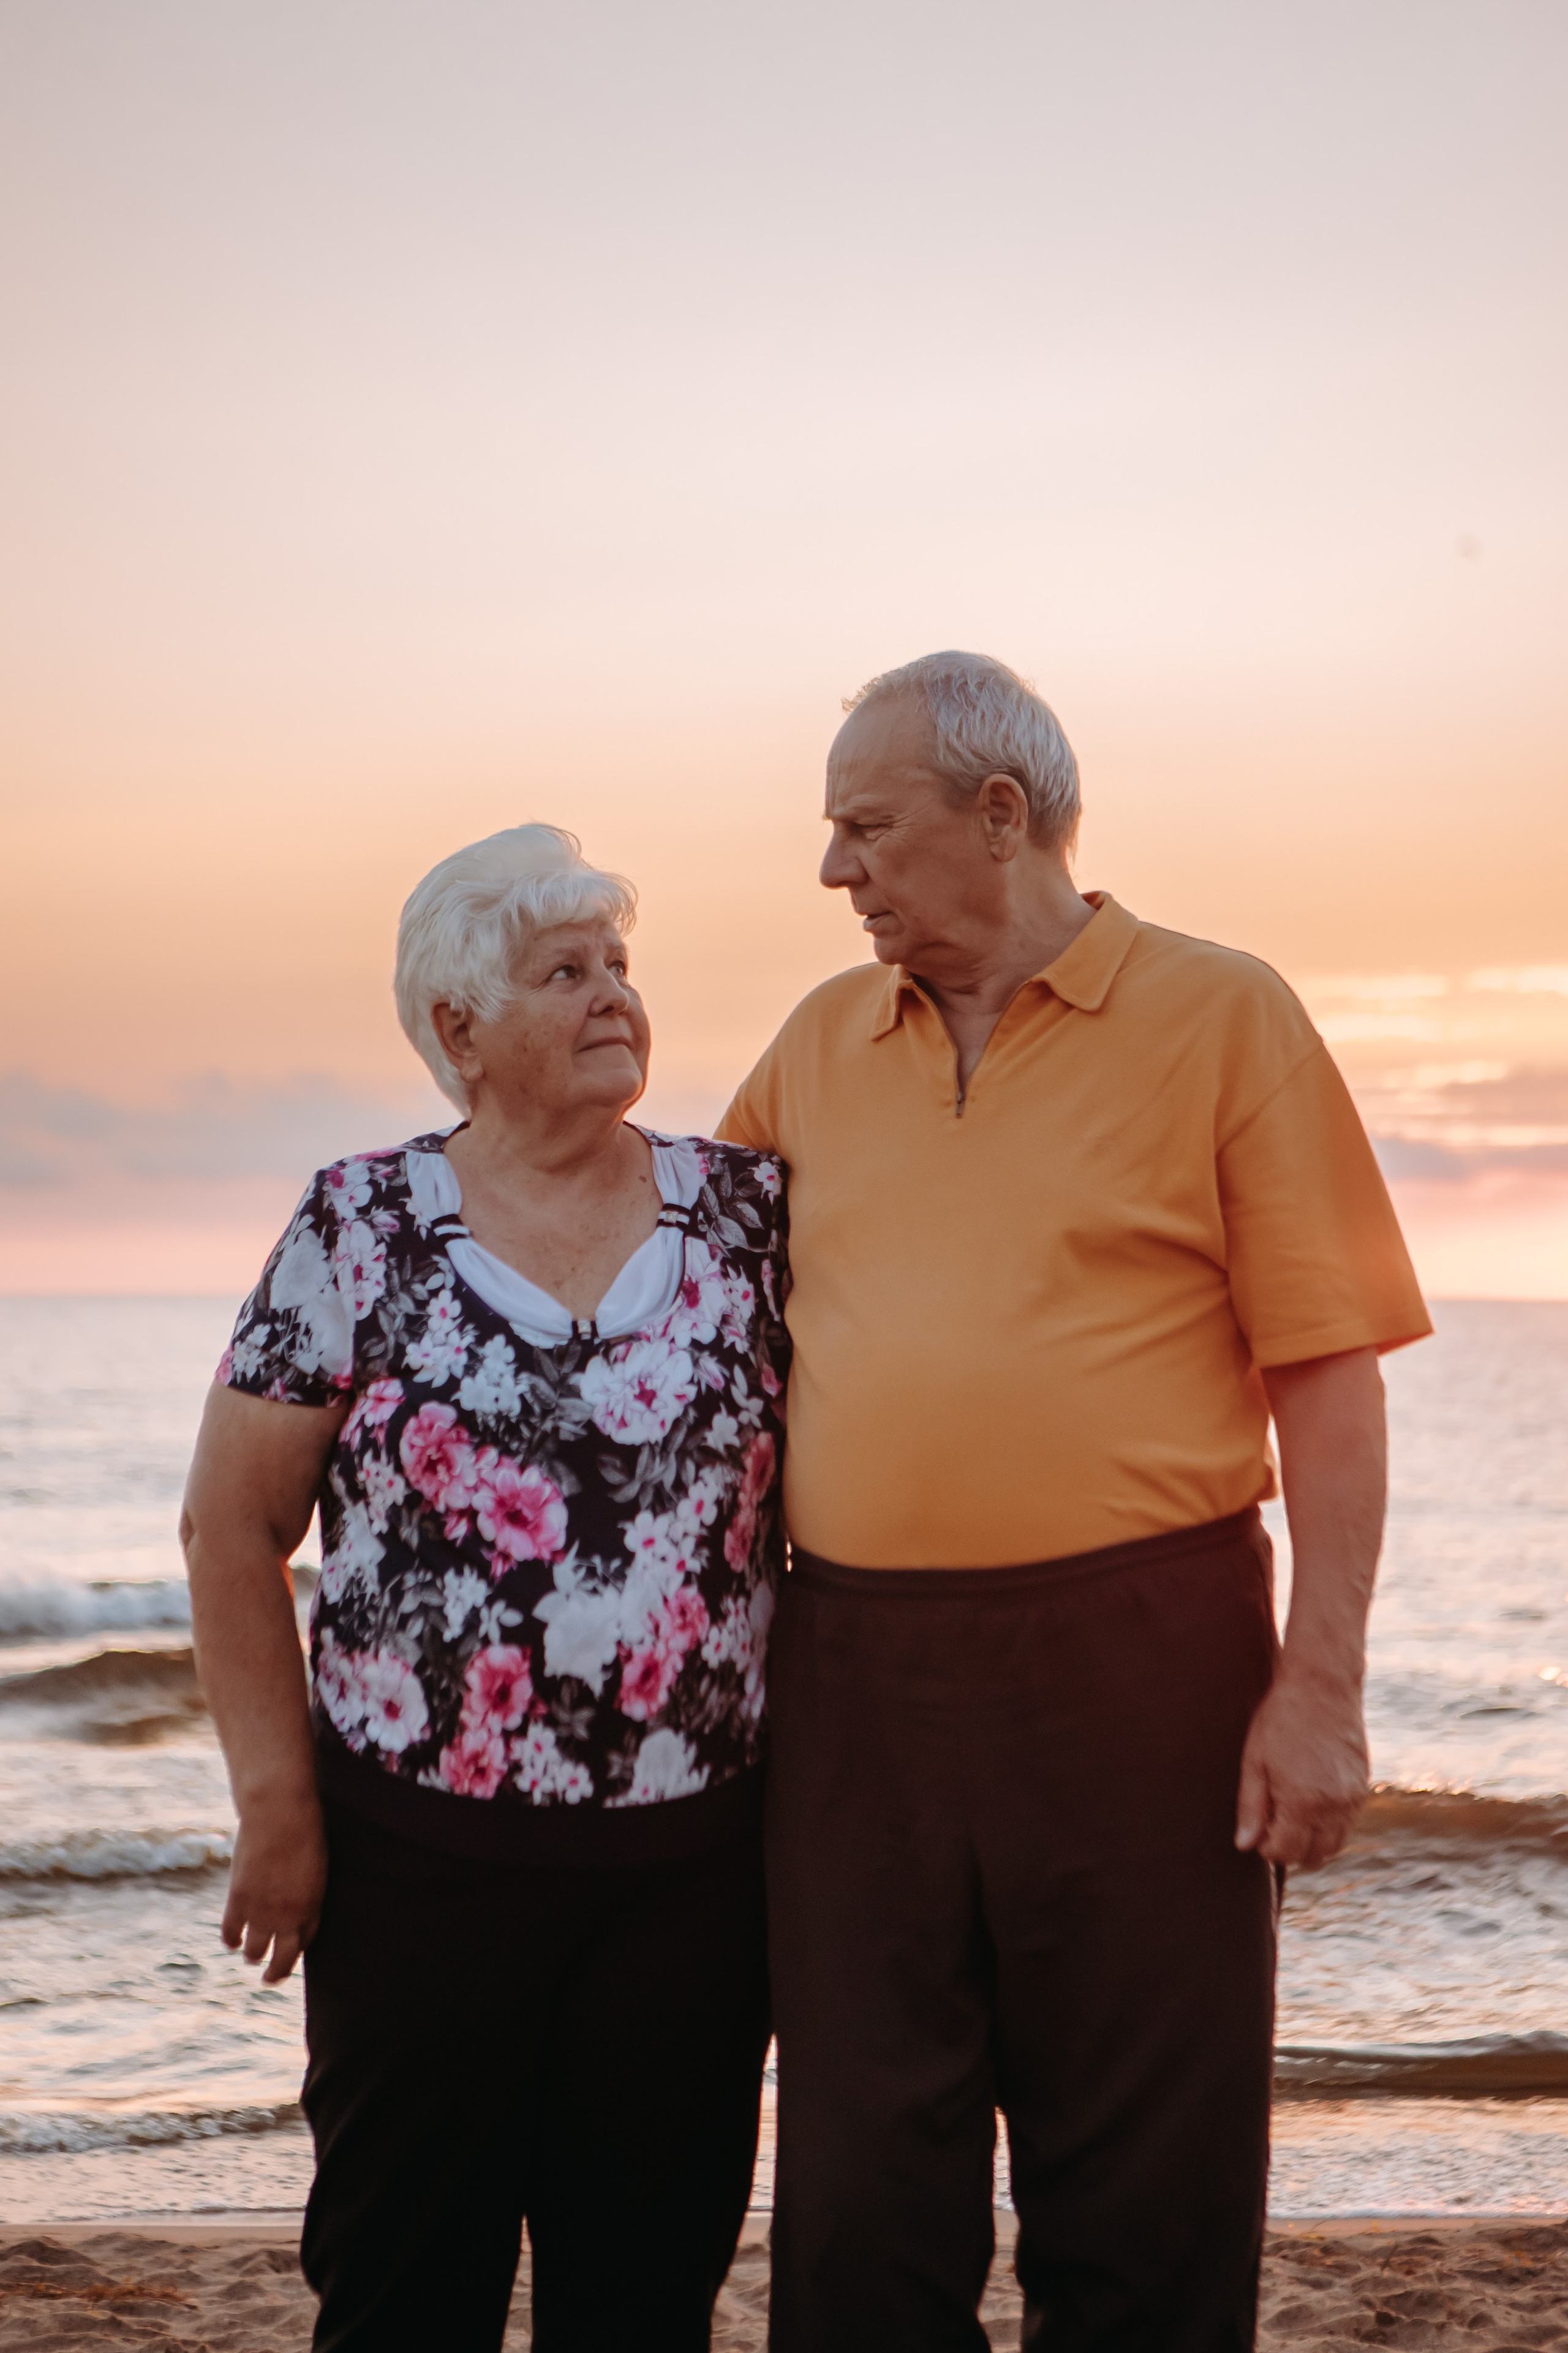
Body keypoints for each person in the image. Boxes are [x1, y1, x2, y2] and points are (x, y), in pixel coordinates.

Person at [716, 652, 1431, 2352]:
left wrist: (1318, 1688)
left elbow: (1326, 1376)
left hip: (1145, 1659)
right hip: (859, 1676)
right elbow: (689, 1309)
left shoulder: (1224, 1011)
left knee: (1144, 2201)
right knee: (861, 2200)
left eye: (863, 826)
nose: (835, 869)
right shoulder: (821, 1041)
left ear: (1001, 814)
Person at [181, 824, 790, 2353]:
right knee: (402, 2287)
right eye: (563, 972)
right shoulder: (357, 1225)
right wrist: (278, 1807)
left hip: (694, 1876)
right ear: (459, 1030)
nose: (613, 997)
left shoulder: (748, 1217)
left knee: (646, 2299)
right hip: (417, 1871)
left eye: (621, 967)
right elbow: (229, 1527)